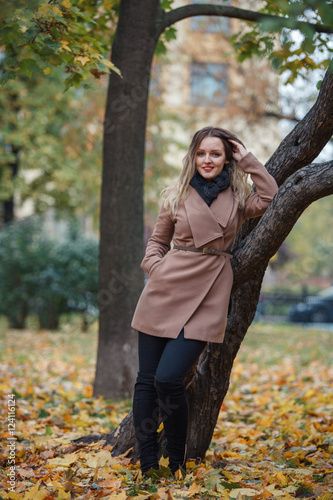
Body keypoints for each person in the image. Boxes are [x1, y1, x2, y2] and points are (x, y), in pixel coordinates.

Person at [131, 126, 278, 476]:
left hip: (208, 297)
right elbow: (155, 243)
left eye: (215, 153)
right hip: (164, 292)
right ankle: (149, 462)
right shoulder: (175, 194)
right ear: (192, 157)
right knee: (147, 380)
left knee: (169, 378)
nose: (207, 160)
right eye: (201, 153)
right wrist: (157, 268)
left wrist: (249, 160)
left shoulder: (239, 199)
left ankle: (177, 458)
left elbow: (272, 197)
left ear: (227, 158)